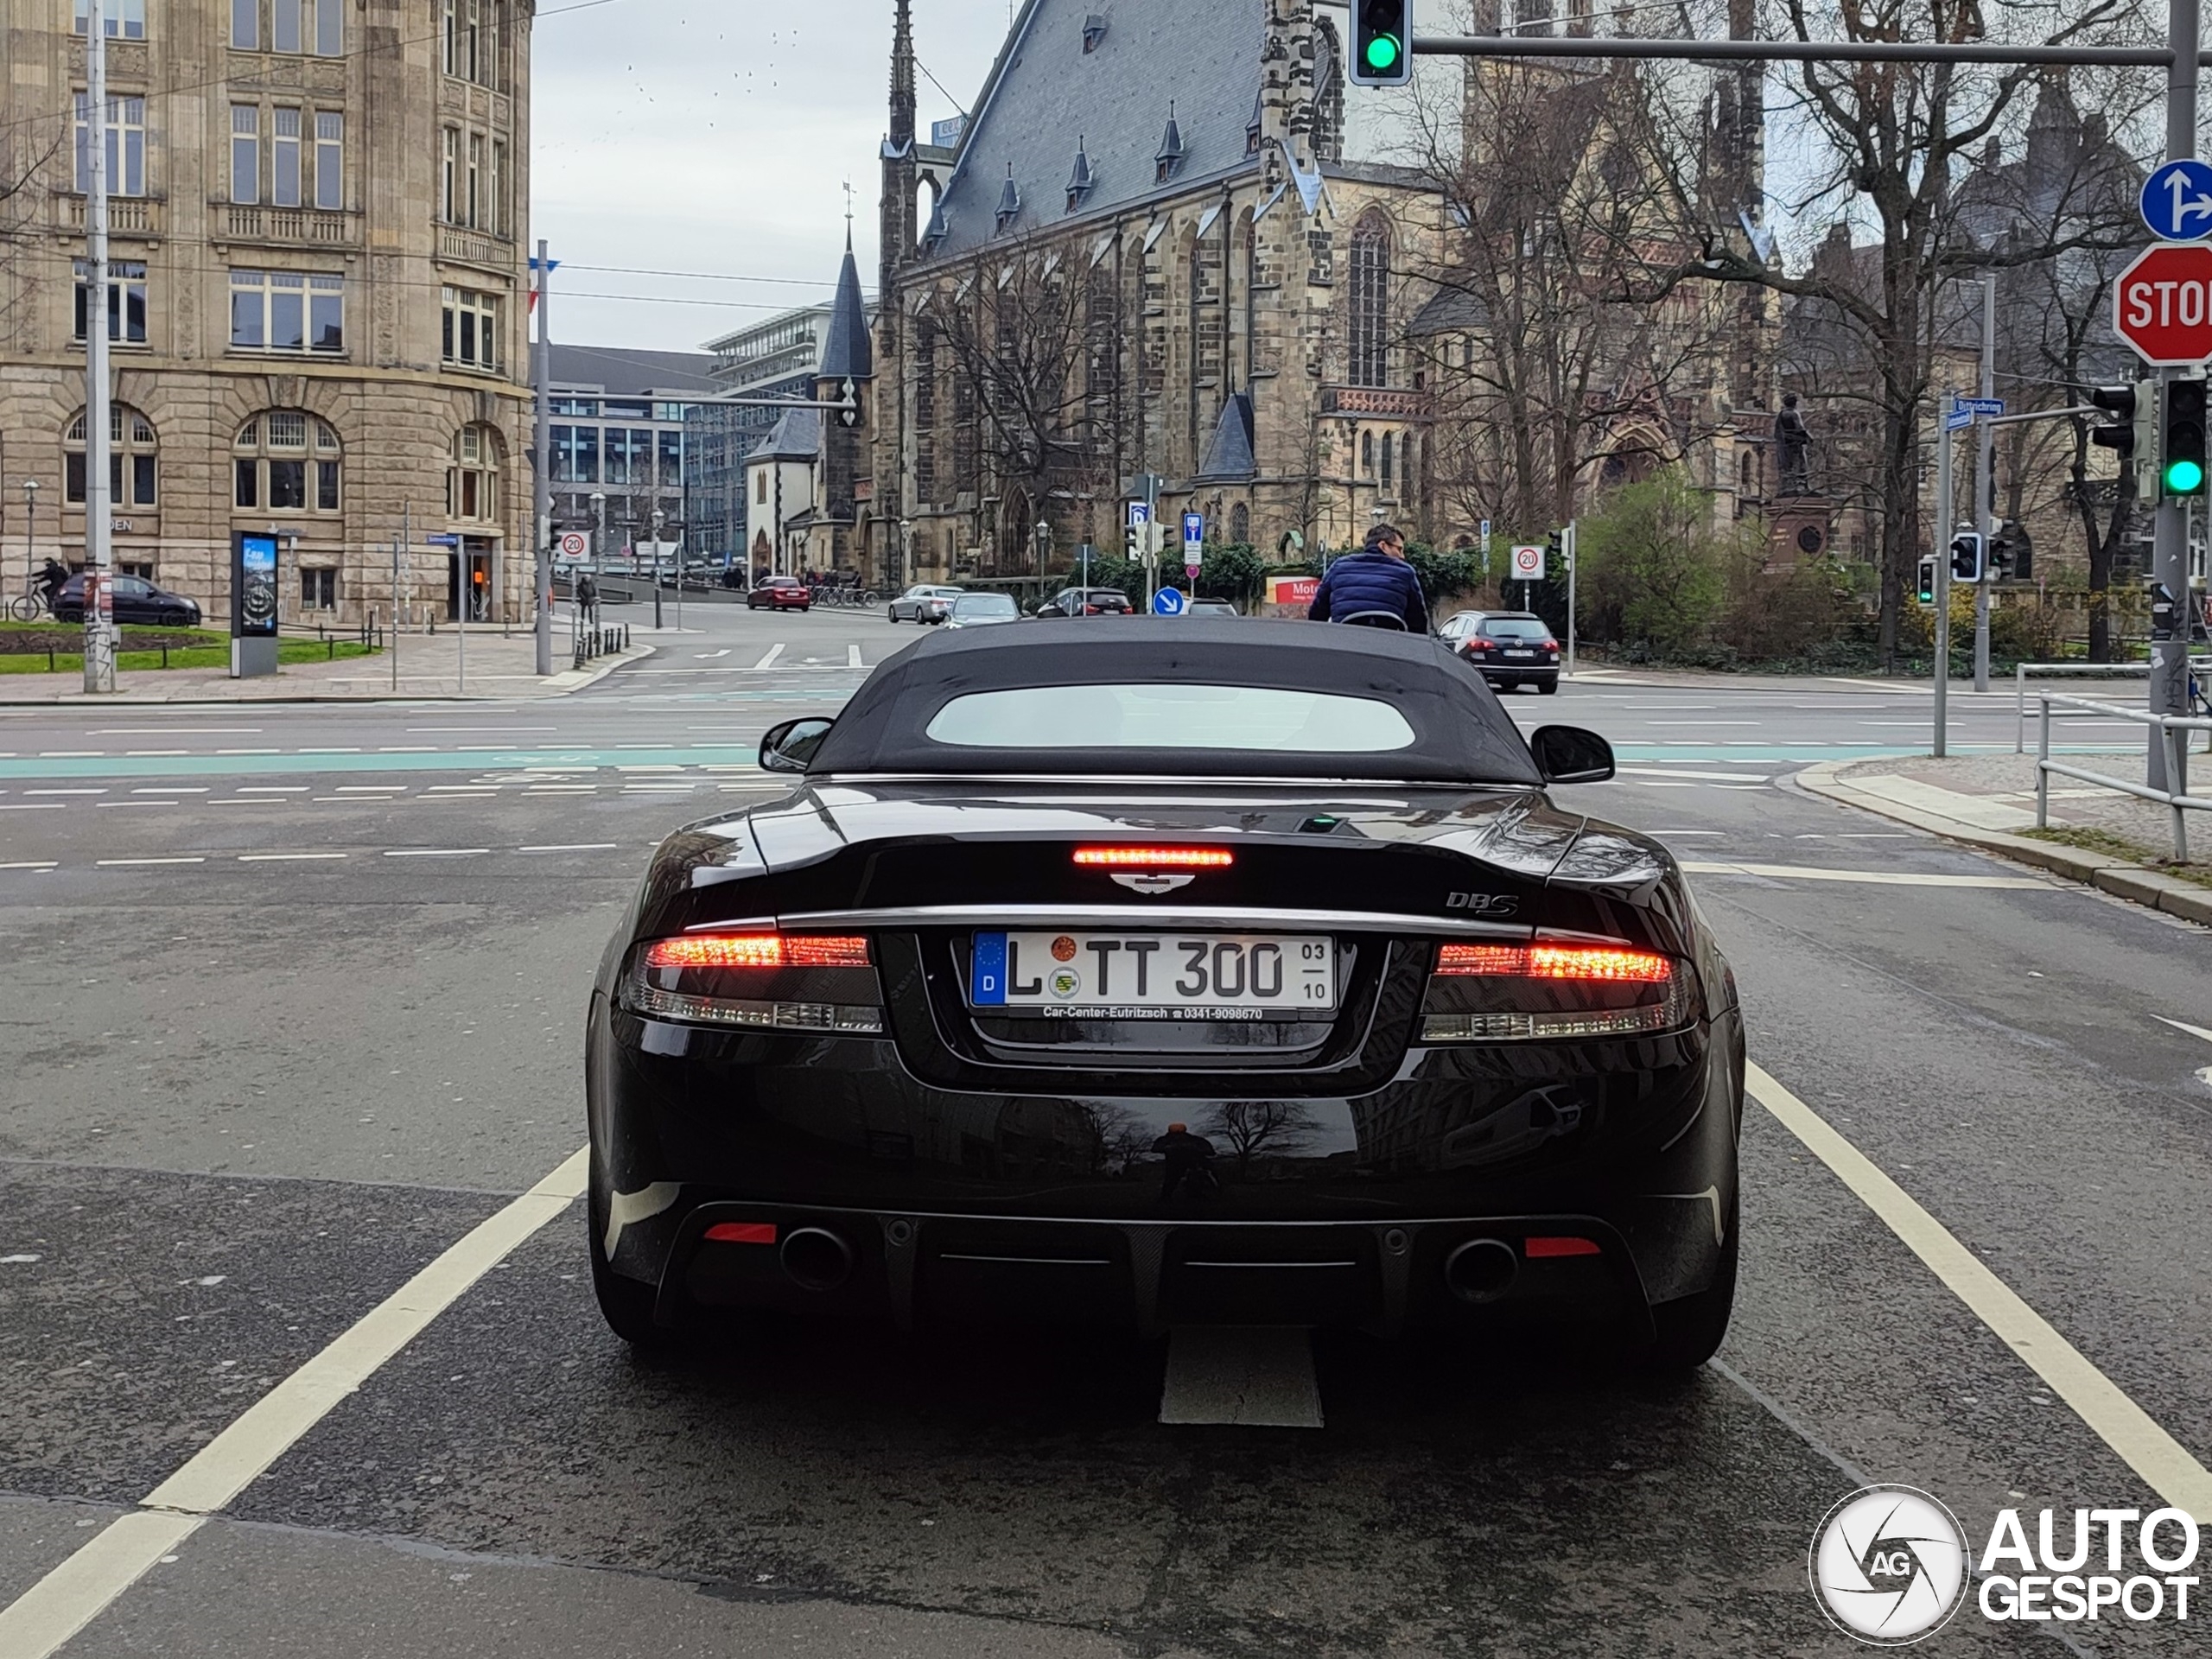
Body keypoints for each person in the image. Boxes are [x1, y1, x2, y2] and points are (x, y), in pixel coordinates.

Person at [1306, 523, 1429, 632]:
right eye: (1399, 549)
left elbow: (1318, 613)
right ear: (1383, 546)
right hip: (1388, 645)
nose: (1403, 556)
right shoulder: (1405, 572)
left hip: (1345, 643)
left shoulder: (1339, 567)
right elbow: (1417, 620)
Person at [1152, 1122, 1219, 1202]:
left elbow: (1209, 1151)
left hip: (1193, 1164)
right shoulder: (1166, 1140)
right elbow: (1156, 1148)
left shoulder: (1194, 1139)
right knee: (1170, 1182)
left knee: (1210, 1174)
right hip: (1177, 1165)